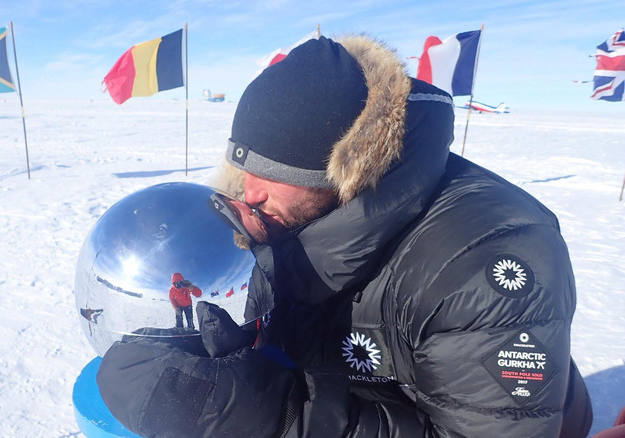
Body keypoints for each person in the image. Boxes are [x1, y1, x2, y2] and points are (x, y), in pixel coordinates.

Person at [97, 35, 594, 437]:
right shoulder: (284, 218)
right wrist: (241, 350)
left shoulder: (484, 260)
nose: (249, 195)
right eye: (243, 168)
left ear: (341, 175)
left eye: (274, 174)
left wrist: (276, 419)